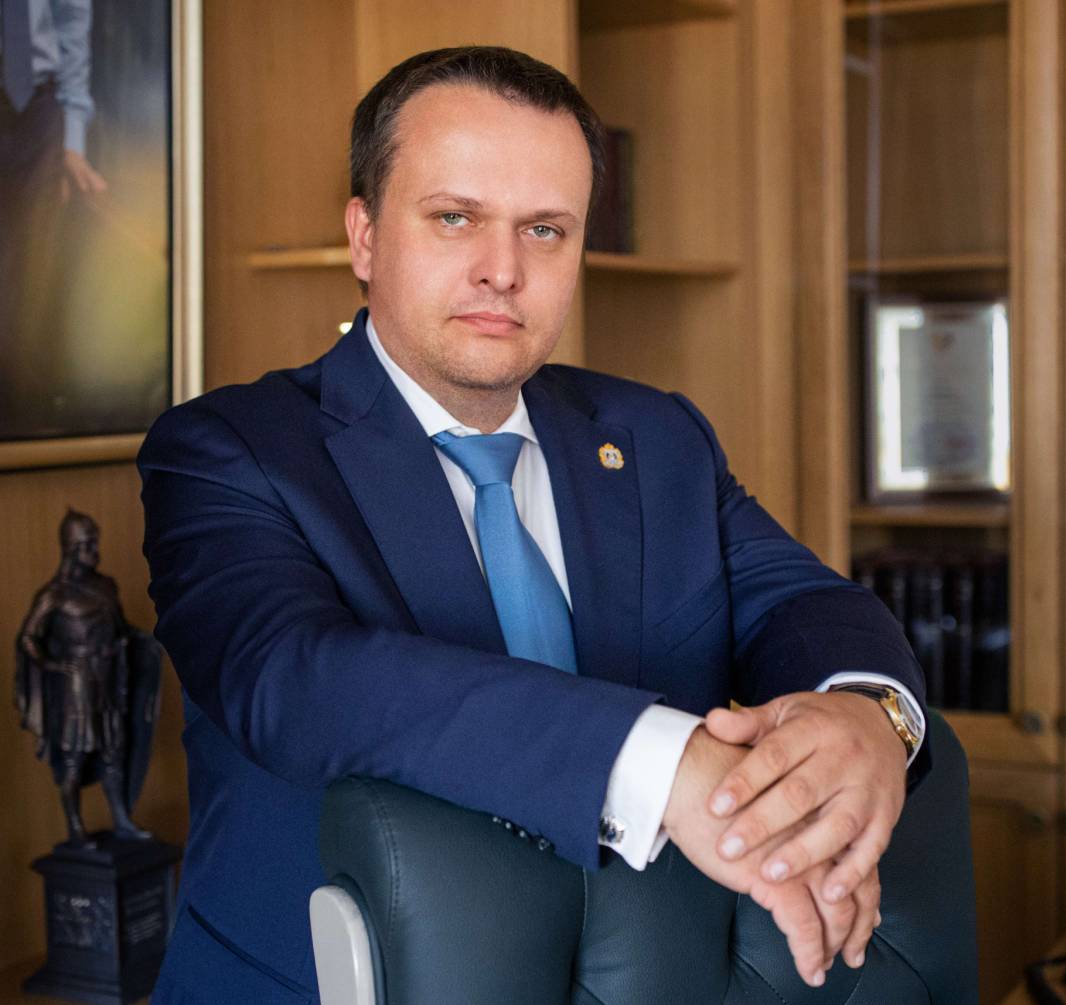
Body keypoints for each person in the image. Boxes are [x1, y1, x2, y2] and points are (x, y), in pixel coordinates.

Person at [137, 46, 931, 1003]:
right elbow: (293, 678)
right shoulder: (227, 449)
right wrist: (660, 761)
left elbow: (802, 604)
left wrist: (867, 714)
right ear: (365, 236)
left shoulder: (656, 437)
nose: (503, 271)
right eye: (455, 218)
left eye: (545, 230)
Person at [15, 509, 157, 846]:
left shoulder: (105, 586)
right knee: (74, 759)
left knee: (114, 751)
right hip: (75, 689)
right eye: (88, 544)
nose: (95, 550)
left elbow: (120, 628)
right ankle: (75, 826)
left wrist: (141, 643)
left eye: (95, 542)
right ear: (71, 547)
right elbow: (28, 638)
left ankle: (121, 818)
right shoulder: (54, 595)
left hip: (108, 680)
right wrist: (52, 665)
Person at [0, 0, 107, 430]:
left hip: (38, 110)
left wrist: (71, 135)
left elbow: (70, 20)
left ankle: (22, 420)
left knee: (31, 286)